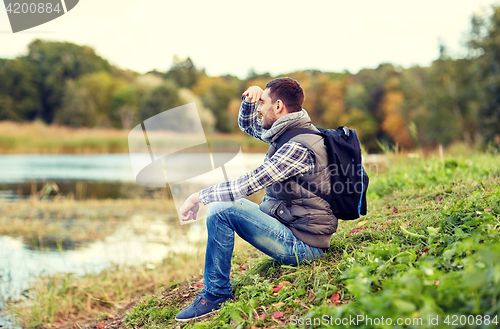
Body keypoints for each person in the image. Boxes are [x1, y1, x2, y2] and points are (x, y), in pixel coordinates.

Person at [175, 77, 337, 321]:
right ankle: (216, 290)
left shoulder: (297, 147)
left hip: (304, 246)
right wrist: (251, 100)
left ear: (279, 106)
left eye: (264, 103)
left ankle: (215, 294)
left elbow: (249, 183)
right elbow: (250, 126)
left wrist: (198, 196)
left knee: (221, 209)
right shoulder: (291, 131)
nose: (260, 108)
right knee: (222, 206)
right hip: (296, 229)